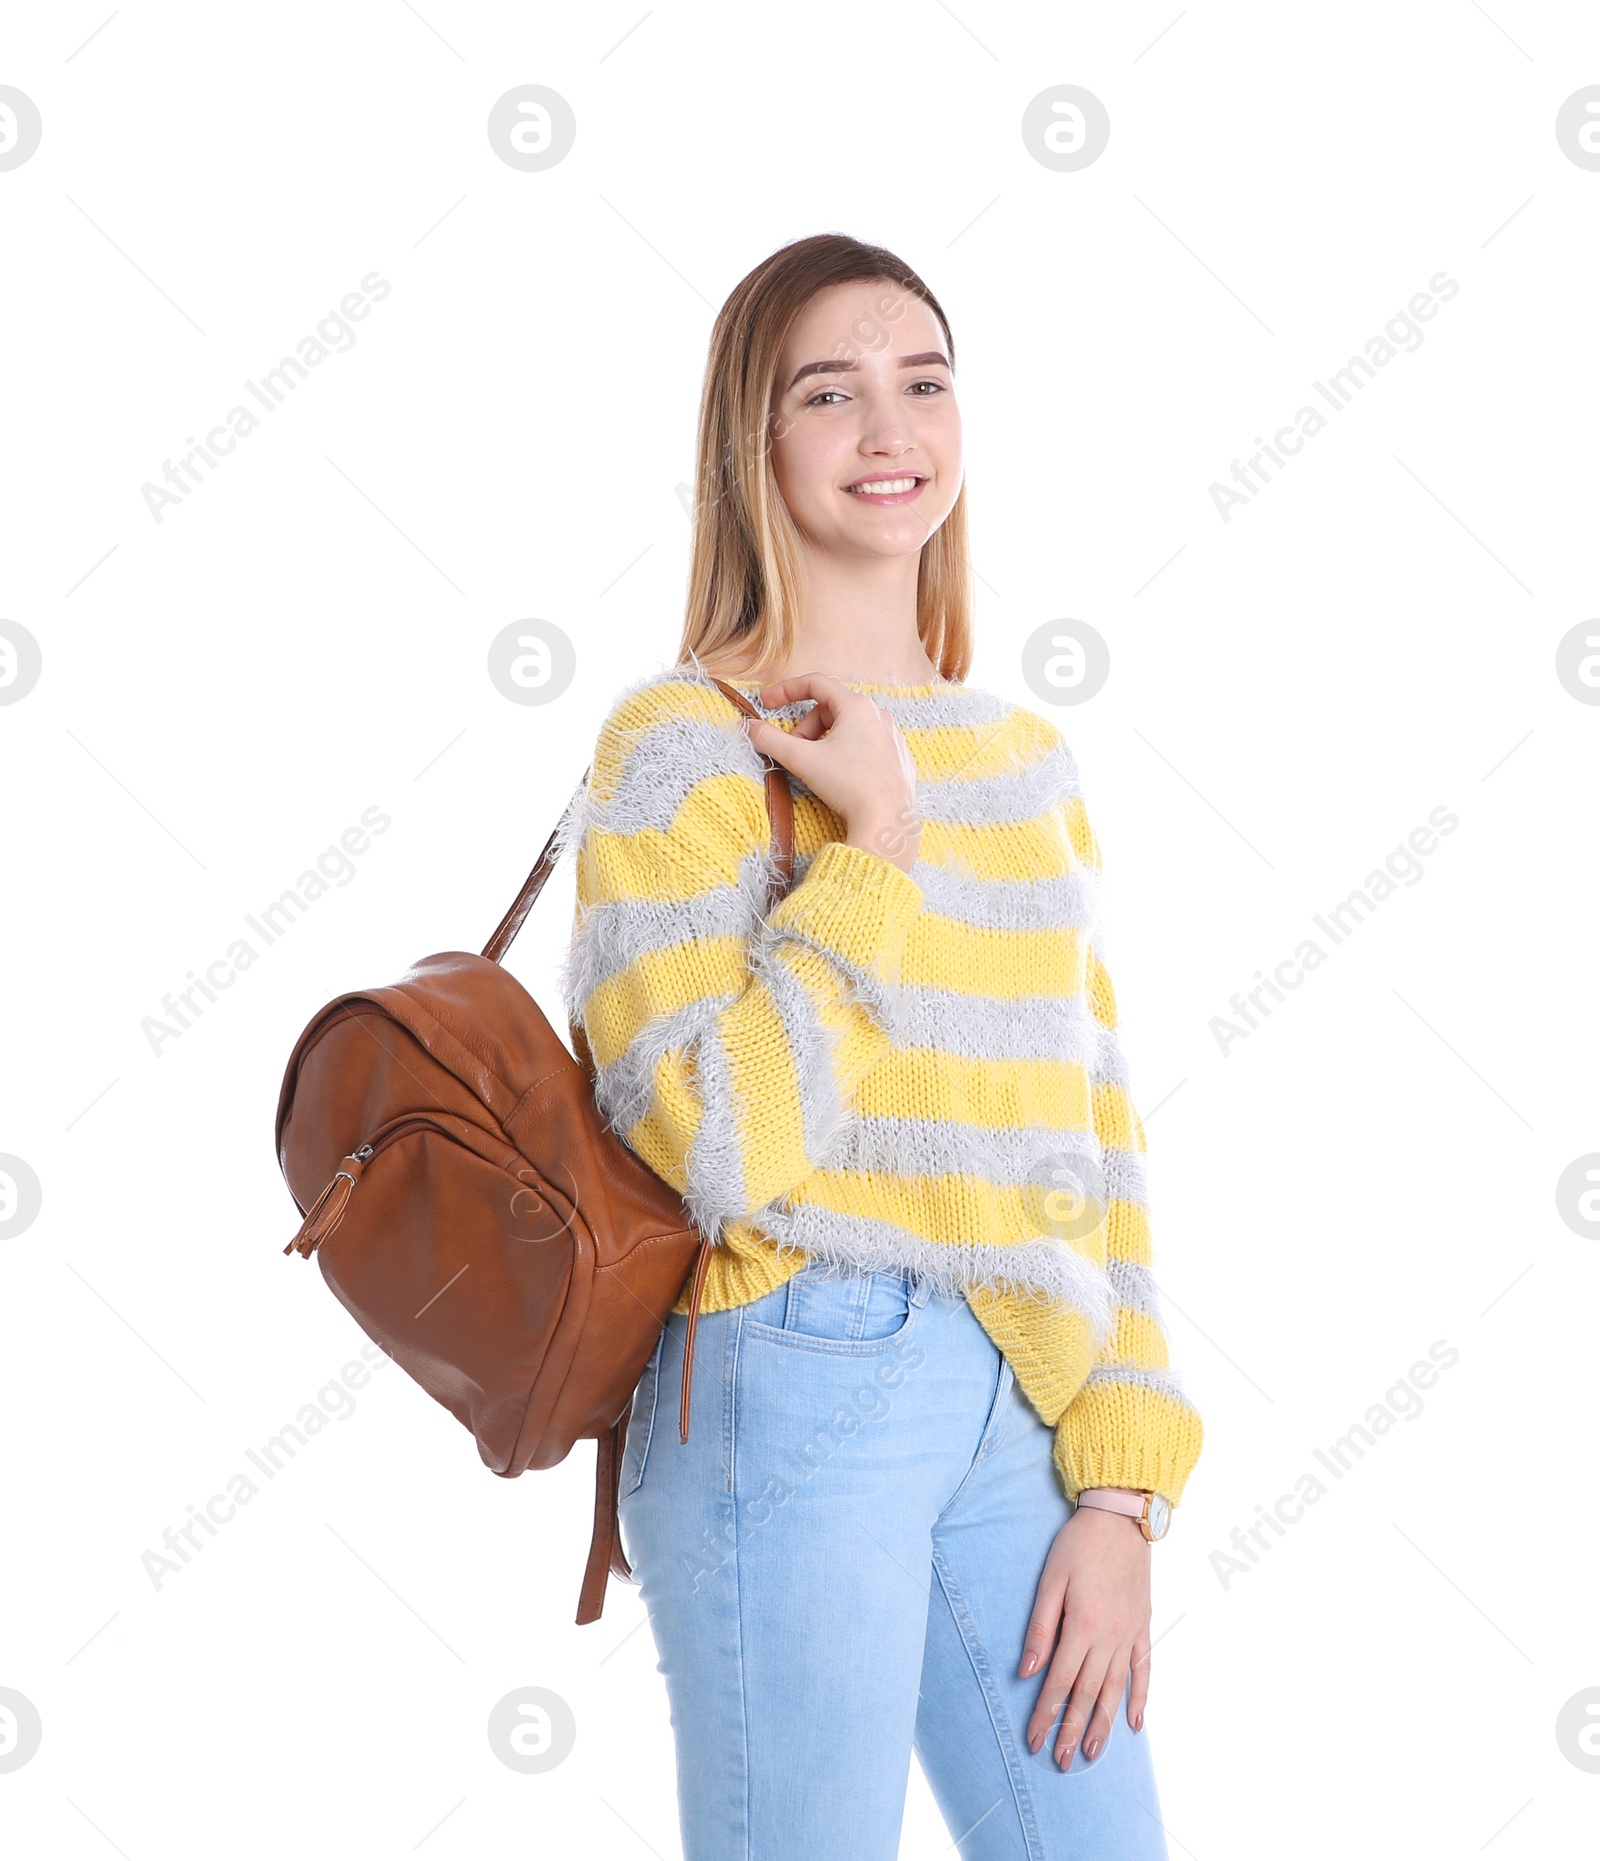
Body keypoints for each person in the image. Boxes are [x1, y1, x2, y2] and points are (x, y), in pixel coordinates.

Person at [558, 232, 1204, 1860]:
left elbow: (1096, 1138)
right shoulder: (678, 747)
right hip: (787, 1365)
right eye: (827, 393)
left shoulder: (1027, 759)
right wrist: (875, 842)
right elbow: (704, 1141)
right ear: (752, 446)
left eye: (923, 381)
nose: (887, 425)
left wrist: (1123, 1487)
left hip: (1027, 1409)